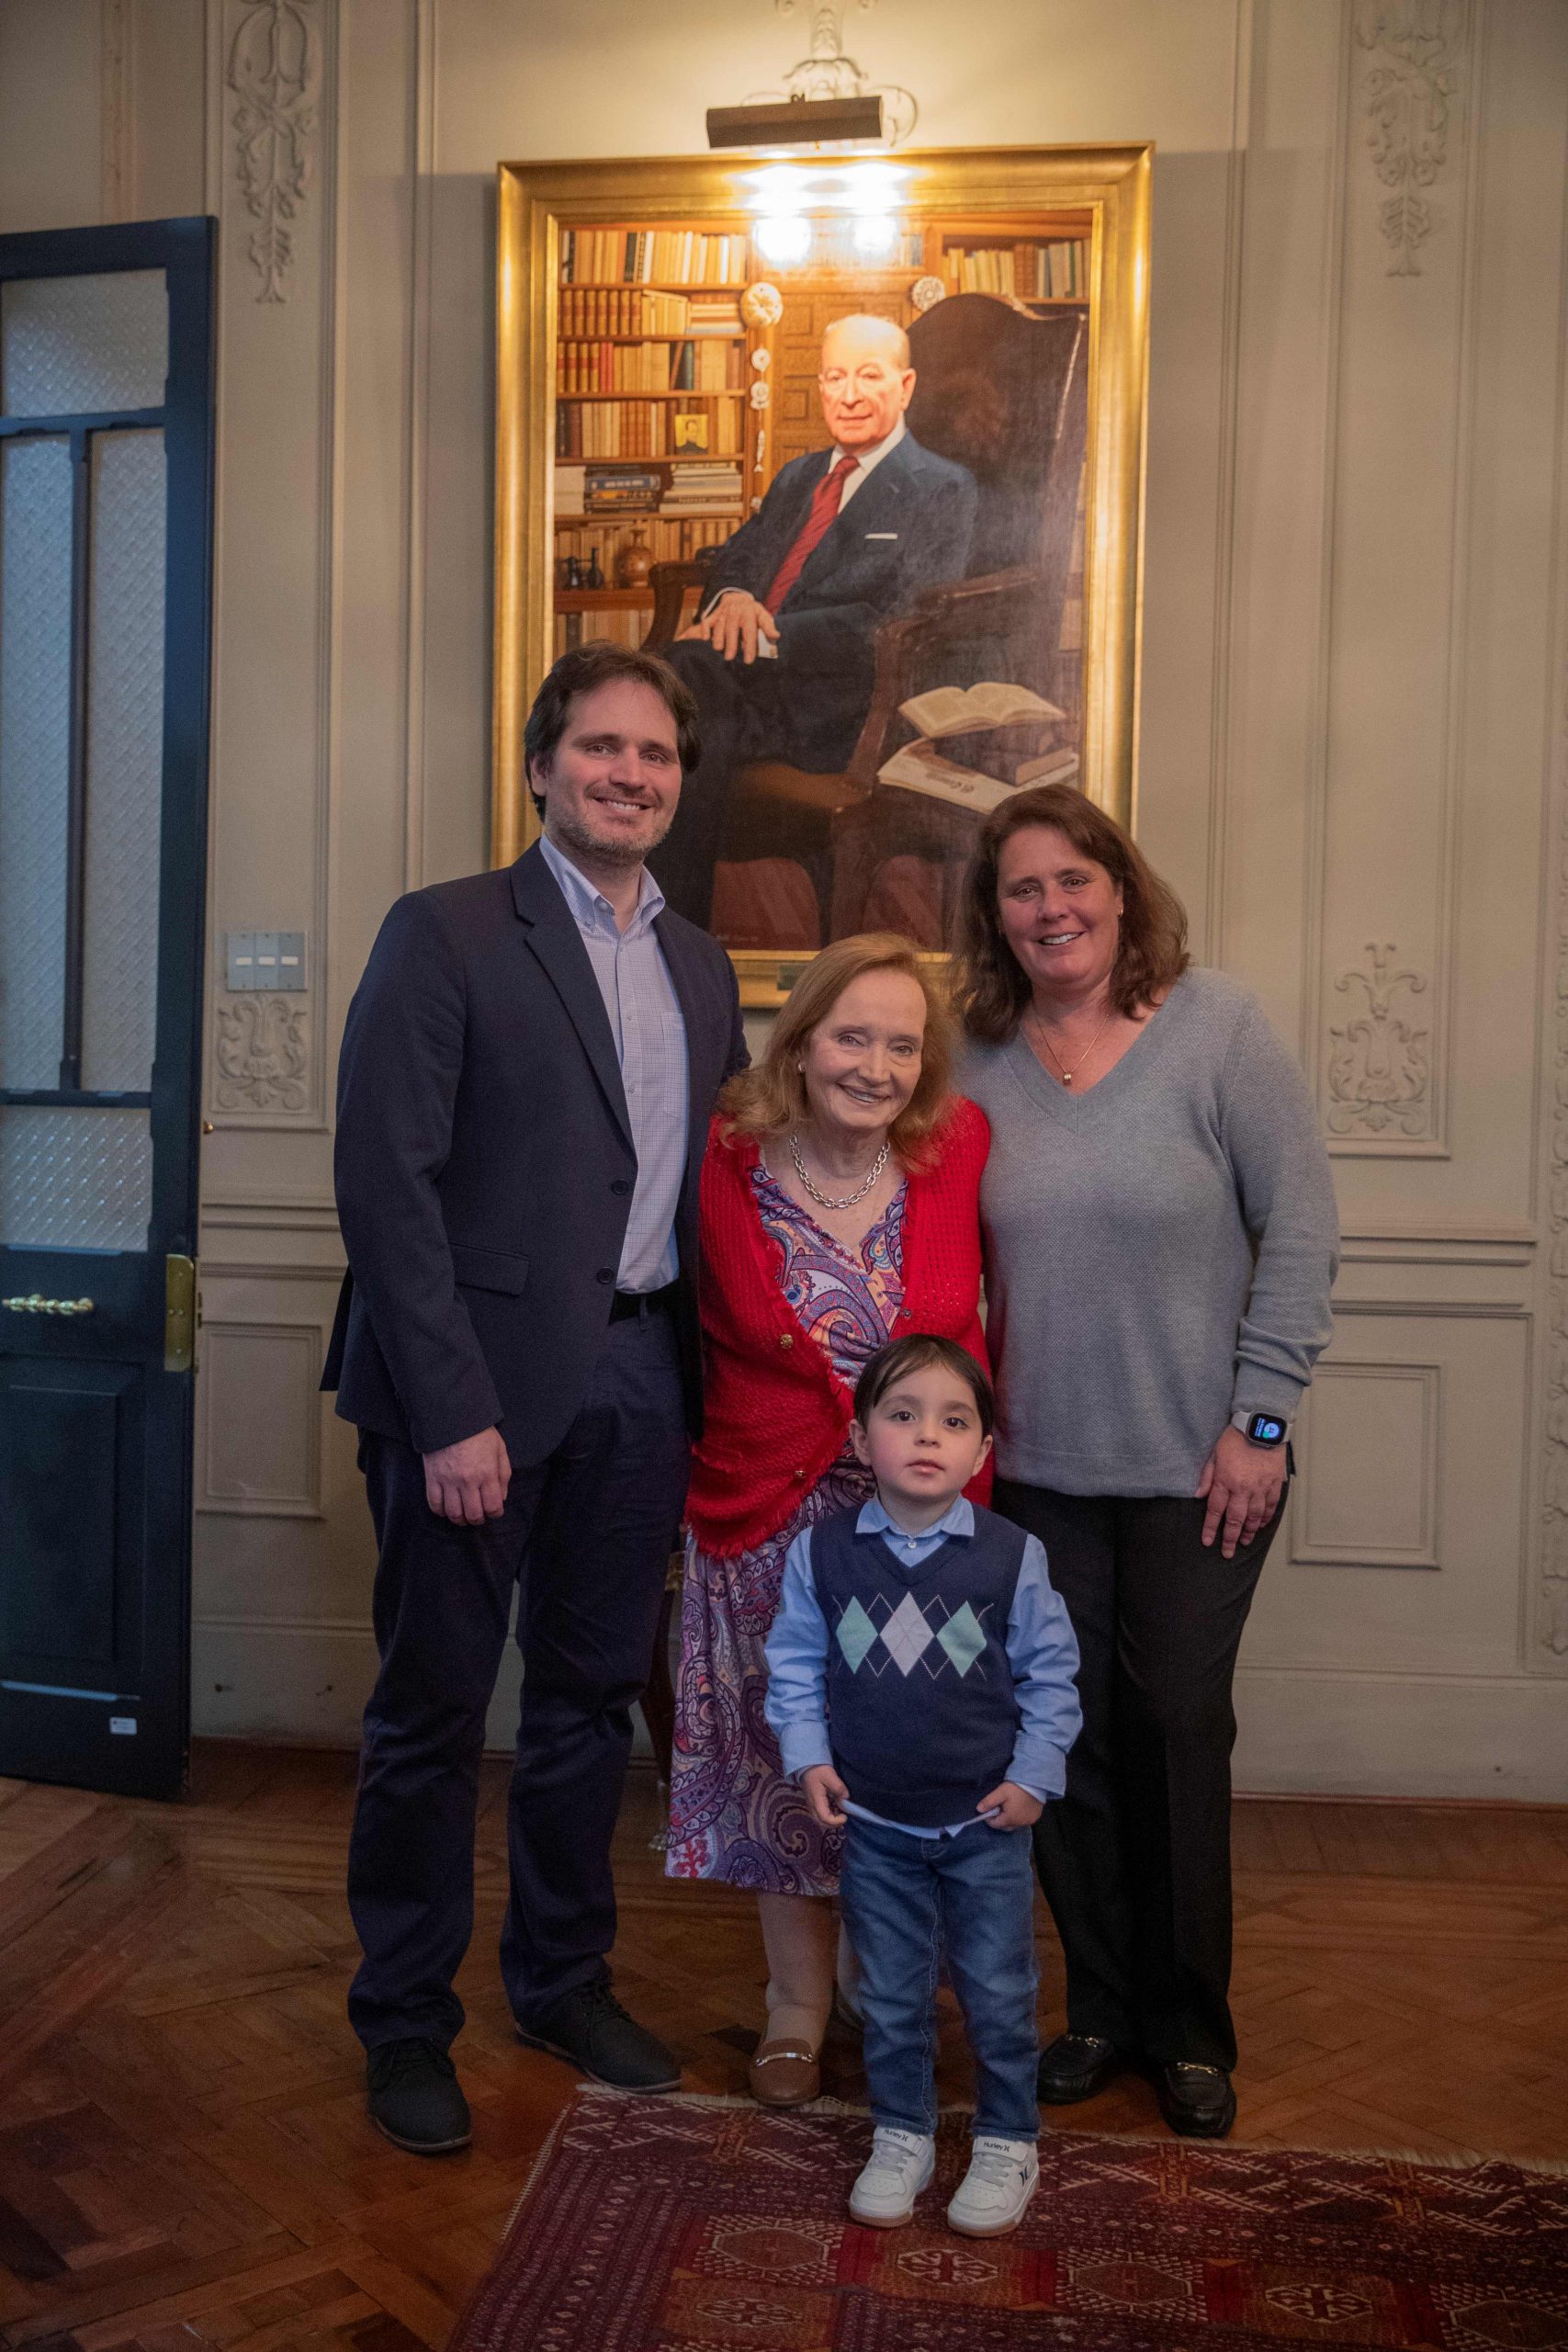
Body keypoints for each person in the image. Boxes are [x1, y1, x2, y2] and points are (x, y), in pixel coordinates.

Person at [323, 640, 746, 2155]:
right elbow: (387, 1186)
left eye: (656, 756)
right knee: (433, 1716)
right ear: (538, 767)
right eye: (602, 749)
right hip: (470, 1397)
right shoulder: (443, 934)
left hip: (642, 1377)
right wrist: (448, 1413)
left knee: (583, 1712)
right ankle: (403, 2025)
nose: (631, 774)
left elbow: (706, 1191)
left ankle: (561, 1981)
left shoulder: (698, 964)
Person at [953, 782, 1339, 2140]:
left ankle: (1187, 2030)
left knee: (1174, 1728)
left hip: (1200, 1467)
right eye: (1021, 889)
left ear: (1119, 887)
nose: (1051, 908)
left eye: (1073, 880)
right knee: (1065, 1741)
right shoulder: (970, 1054)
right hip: (1036, 1473)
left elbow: (1296, 1230)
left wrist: (1264, 1422)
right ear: (991, 917)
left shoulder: (1215, 1027)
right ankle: (1101, 2009)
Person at [665, 933, 990, 2109]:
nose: (876, 1064)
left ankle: (877, 1983)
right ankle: (793, 2007)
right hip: (766, 1518)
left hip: (918, 1533)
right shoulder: (725, 1156)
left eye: (903, 1043)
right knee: (780, 1766)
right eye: (852, 1035)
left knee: (902, 1764)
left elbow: (980, 1338)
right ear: (798, 1044)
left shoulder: (955, 1153)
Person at [764, 1336, 1081, 2237]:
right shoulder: (821, 1555)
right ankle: (901, 2132)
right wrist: (809, 1754)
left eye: (954, 1420)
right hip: (876, 1822)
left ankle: (1007, 2137)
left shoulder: (1010, 1556)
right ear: (862, 1438)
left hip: (985, 1819)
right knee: (894, 1994)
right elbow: (794, 1666)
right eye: (902, 1416)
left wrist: (1033, 1776)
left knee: (998, 1987)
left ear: (982, 1451)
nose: (927, 1437)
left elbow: (1050, 1678)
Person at [649, 314, 978, 926]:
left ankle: (671, 924)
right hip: (741, 687)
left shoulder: (941, 489)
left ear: (904, 387)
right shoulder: (799, 476)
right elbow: (736, 559)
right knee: (653, 687)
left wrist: (761, 637)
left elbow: (900, 613)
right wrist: (734, 603)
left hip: (834, 709)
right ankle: (660, 913)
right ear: (821, 387)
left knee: (676, 678)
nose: (848, 394)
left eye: (868, 376)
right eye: (834, 377)